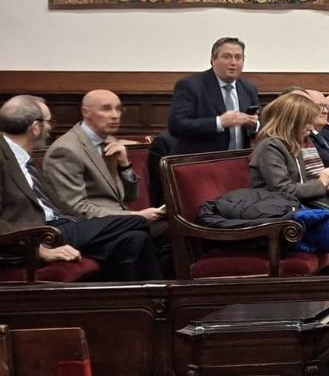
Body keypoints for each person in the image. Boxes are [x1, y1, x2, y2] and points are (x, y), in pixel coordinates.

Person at [1, 95, 162, 282]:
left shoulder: (22, 157)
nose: (51, 128)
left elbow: (130, 196)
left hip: (62, 225)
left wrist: (124, 165)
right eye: (49, 122)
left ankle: (151, 299)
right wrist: (39, 250)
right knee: (139, 222)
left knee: (135, 239)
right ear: (35, 127)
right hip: (40, 234)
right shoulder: (4, 157)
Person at [42, 91, 166, 232]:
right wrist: (135, 216)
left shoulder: (110, 142)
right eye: (106, 109)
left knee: (172, 228)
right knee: (166, 232)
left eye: (118, 109)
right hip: (94, 229)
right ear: (86, 112)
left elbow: (131, 197)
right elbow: (76, 209)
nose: (115, 115)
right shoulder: (66, 150)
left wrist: (125, 165)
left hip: (120, 222)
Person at [249, 92, 329, 212]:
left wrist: (327, 187)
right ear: (290, 122)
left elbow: (301, 183)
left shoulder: (293, 143)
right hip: (280, 211)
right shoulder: (270, 146)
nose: (311, 128)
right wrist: (321, 183)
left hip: (300, 206)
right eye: (307, 123)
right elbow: (283, 190)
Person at [168, 37, 259, 154]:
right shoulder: (191, 86)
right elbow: (176, 126)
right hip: (201, 159)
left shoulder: (248, 88)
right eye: (227, 57)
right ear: (213, 59)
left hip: (239, 159)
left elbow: (263, 124)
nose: (233, 63)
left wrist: (255, 125)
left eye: (238, 57)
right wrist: (219, 122)